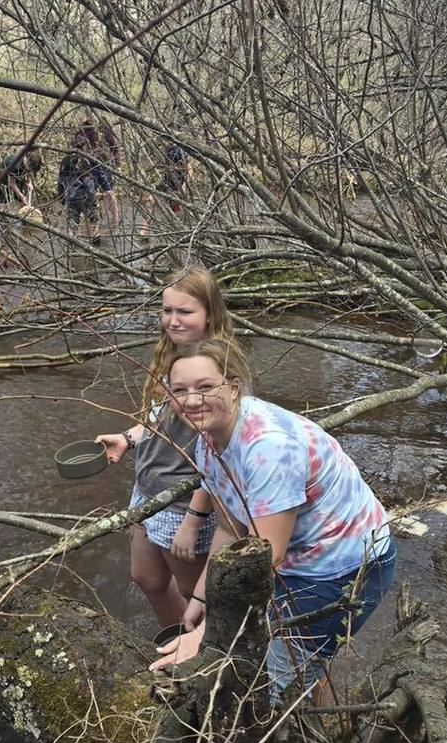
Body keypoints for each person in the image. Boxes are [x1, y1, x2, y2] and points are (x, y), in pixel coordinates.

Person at [150, 340, 395, 702]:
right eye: (179, 390)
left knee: (274, 686)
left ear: (233, 386)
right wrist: (200, 598)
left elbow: (265, 559)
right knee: (289, 667)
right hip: (294, 561)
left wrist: (207, 635)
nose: (190, 400)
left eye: (205, 387)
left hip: (345, 570)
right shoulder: (208, 439)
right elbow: (230, 529)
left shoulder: (268, 448)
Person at [95, 266, 234, 628]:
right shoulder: (170, 355)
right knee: (148, 578)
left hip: (185, 503)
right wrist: (127, 438)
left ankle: (203, 658)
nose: (172, 321)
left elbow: (221, 458)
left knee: (196, 596)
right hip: (148, 490)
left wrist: (194, 519)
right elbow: (160, 416)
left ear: (210, 315)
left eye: (184, 312)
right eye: (167, 310)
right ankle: (175, 643)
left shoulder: (218, 372)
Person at [137, 140, 189, 239]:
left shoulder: (180, 150)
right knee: (151, 201)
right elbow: (153, 168)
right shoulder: (161, 149)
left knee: (175, 209)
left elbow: (189, 168)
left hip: (178, 182)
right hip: (165, 181)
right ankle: (144, 229)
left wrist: (184, 185)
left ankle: (181, 231)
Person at [79, 114, 122, 229]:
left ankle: (115, 219)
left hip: (104, 164)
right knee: (90, 193)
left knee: (109, 191)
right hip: (89, 166)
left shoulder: (104, 126)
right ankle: (94, 224)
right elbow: (77, 146)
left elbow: (114, 146)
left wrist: (118, 165)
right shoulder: (83, 128)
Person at [57, 132, 100, 243]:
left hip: (71, 196)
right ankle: (95, 240)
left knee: (73, 225)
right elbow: (95, 179)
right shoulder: (89, 159)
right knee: (93, 220)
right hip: (88, 195)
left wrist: (62, 200)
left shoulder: (65, 160)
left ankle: (73, 249)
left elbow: (61, 182)